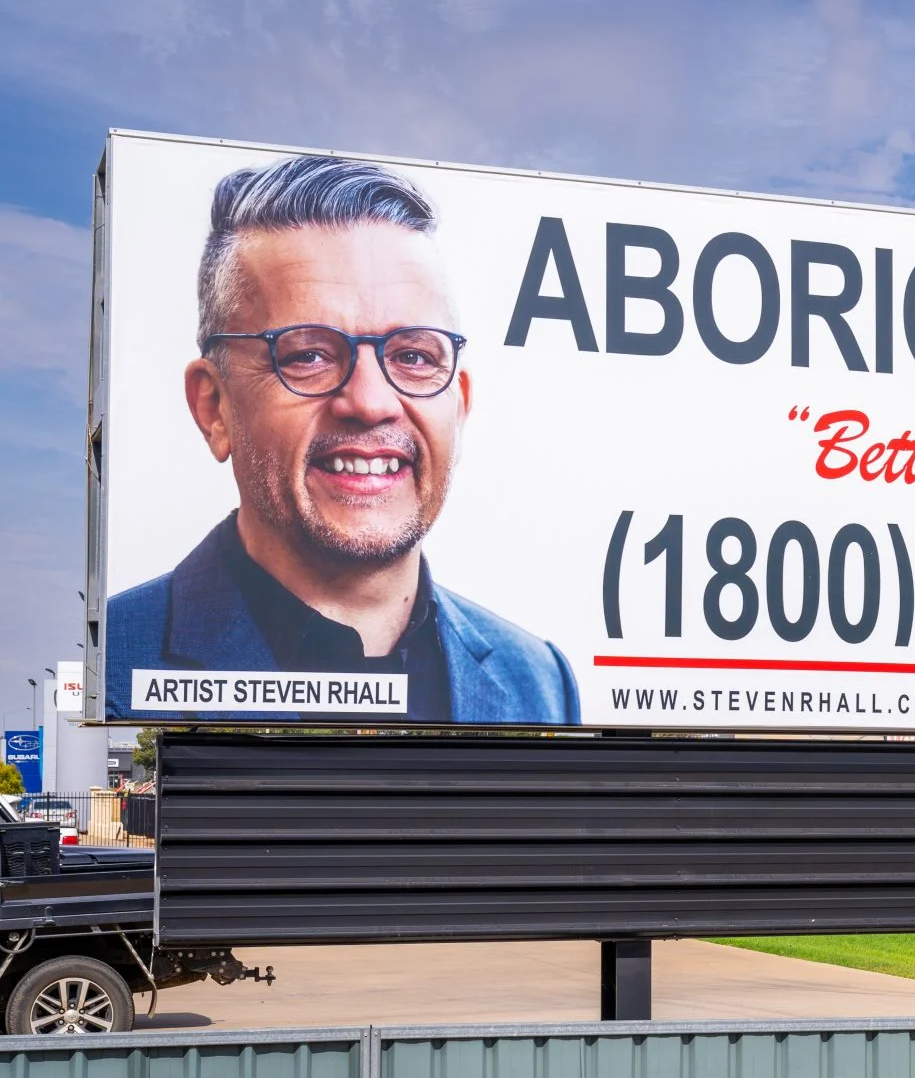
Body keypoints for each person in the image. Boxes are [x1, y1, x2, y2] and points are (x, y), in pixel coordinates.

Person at [106, 155, 577, 724]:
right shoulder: (110, 671)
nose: (371, 402)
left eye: (413, 356)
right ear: (214, 408)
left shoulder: (541, 683)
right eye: (307, 355)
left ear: (460, 403)